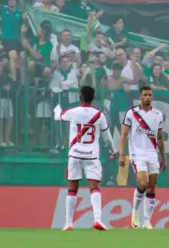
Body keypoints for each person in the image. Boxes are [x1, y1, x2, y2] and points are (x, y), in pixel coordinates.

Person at [53, 84, 112, 231]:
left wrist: (57, 108)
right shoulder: (99, 115)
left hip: (75, 154)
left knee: (72, 188)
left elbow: (58, 117)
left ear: (80, 97)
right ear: (94, 98)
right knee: (94, 187)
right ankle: (98, 219)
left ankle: (68, 223)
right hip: (92, 156)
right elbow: (107, 137)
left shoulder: (74, 112)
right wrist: (113, 149)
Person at [119, 85, 166, 230]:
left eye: (150, 95)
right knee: (143, 183)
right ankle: (134, 212)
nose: (147, 97)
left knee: (151, 187)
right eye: (145, 95)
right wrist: (122, 154)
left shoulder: (158, 114)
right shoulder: (132, 113)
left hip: (152, 154)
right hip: (137, 154)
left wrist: (163, 157)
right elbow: (124, 134)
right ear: (140, 97)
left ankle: (147, 221)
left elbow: (159, 137)